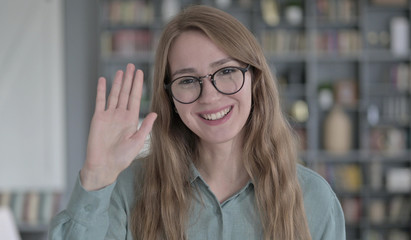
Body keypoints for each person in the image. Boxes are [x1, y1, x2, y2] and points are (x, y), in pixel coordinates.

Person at [49, 5, 345, 240]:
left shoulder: (314, 198)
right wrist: (97, 177)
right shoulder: (128, 191)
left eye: (226, 71)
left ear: (254, 79)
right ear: (170, 99)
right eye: (188, 80)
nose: (210, 96)